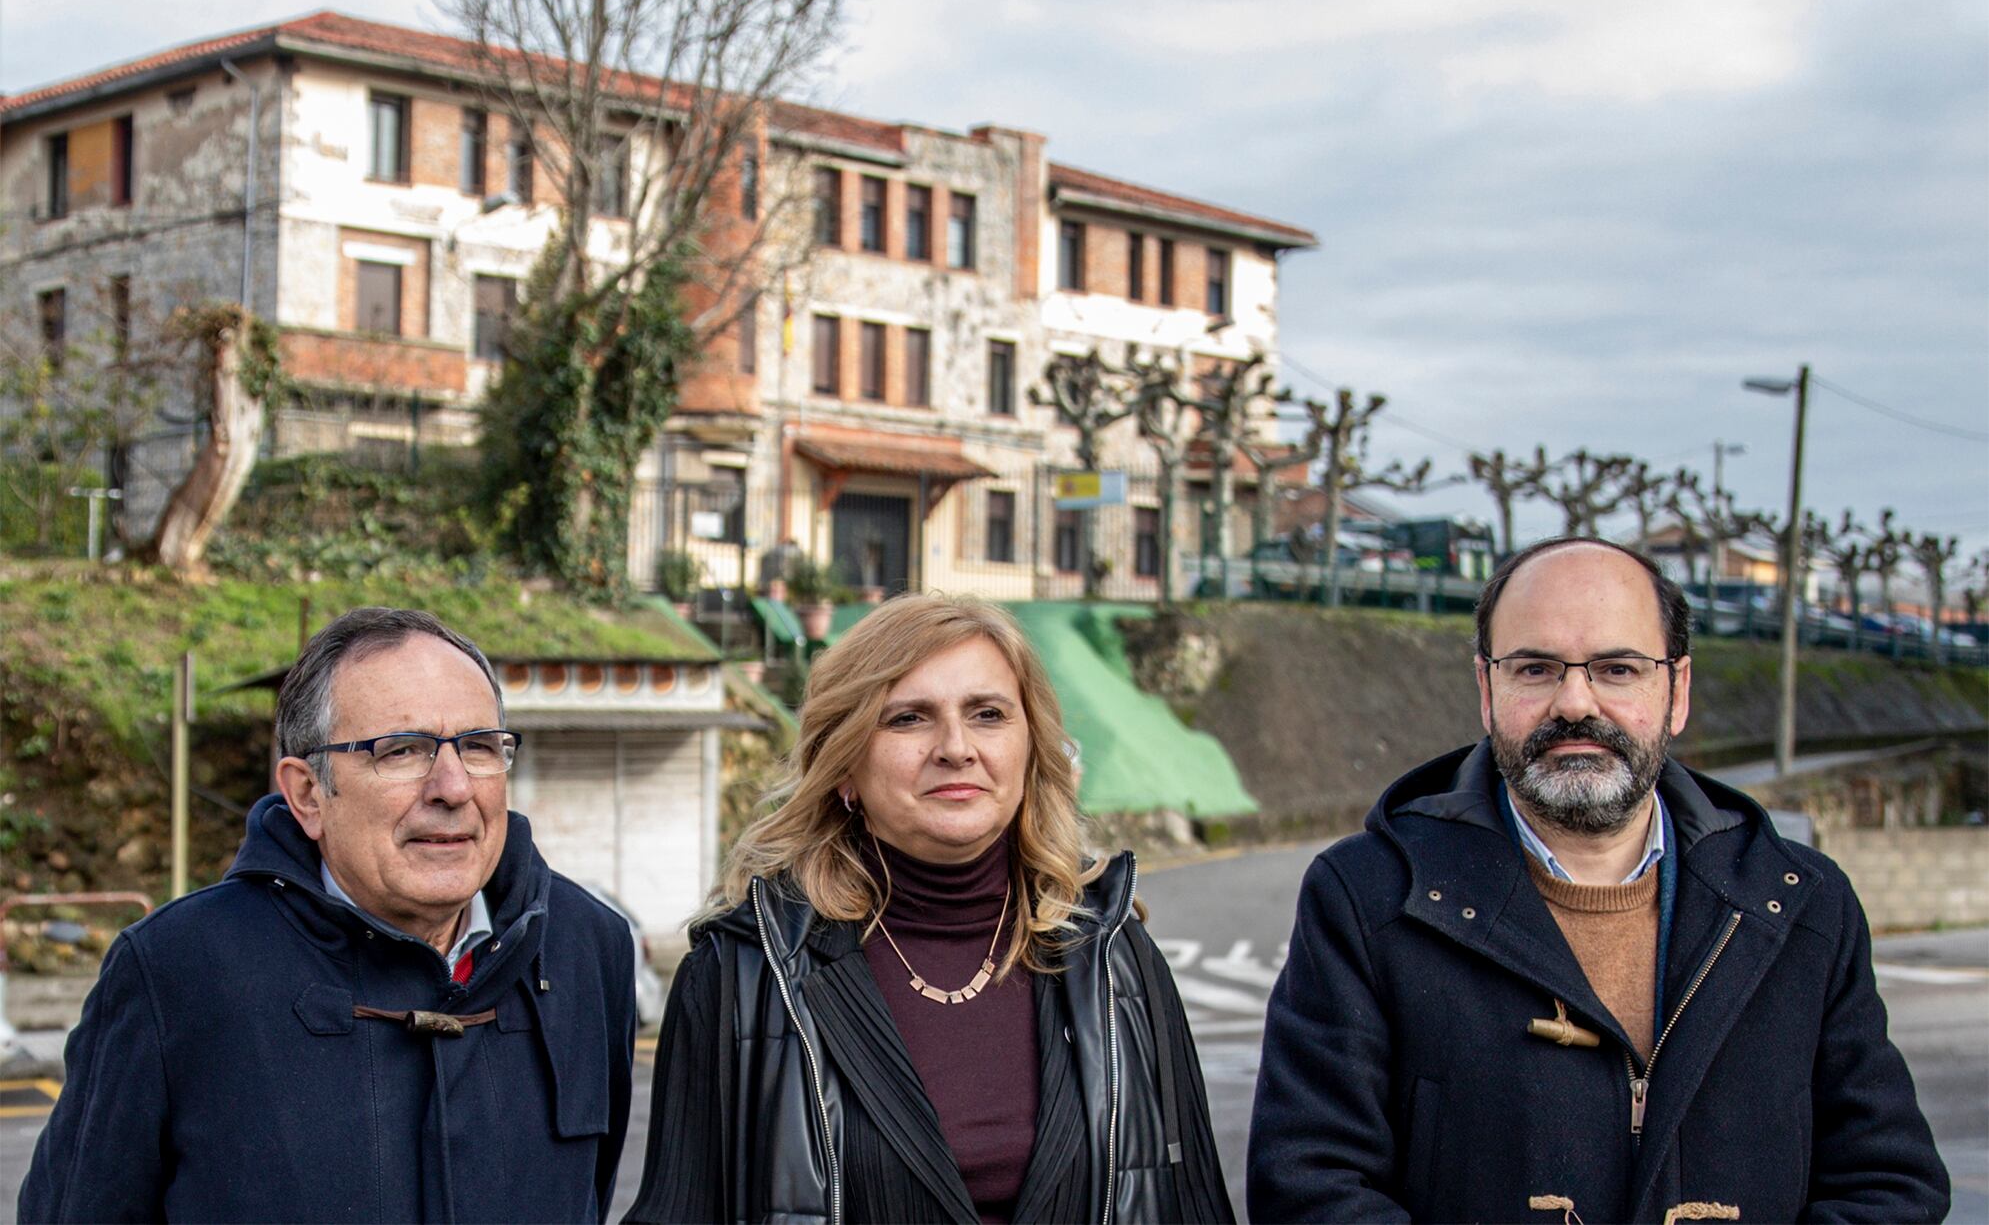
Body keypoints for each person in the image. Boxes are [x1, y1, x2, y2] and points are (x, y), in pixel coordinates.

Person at [1248, 536, 1949, 1224]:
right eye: (1534, 669)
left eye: (1616, 669)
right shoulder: (1365, 896)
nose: (1574, 702)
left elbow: (1888, 1184)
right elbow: (1309, 1186)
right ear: (1485, 690)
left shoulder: (1800, 903)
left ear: (1675, 690)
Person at [625, 593, 1232, 1224]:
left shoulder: (1114, 954)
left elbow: (1192, 1207)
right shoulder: (744, 972)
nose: (956, 747)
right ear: (844, 768)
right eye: (909, 718)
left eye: (988, 713)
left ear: (1030, 747)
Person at [19, 607, 637, 1223]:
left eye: (478, 746)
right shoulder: (176, 971)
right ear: (308, 795)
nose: (454, 787)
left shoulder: (587, 946)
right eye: (401, 750)